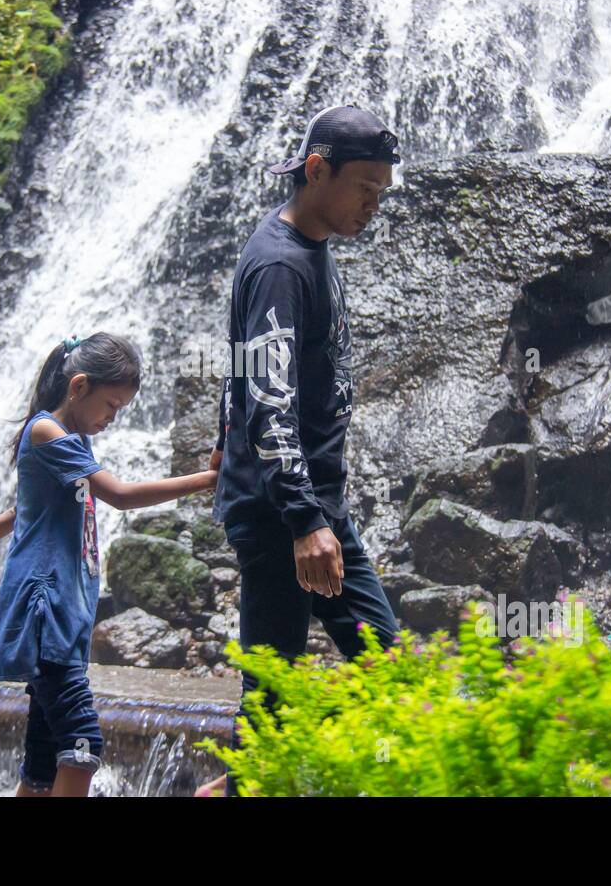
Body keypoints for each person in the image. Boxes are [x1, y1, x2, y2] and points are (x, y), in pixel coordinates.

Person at [197, 105, 403, 797]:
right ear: (318, 170)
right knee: (279, 700)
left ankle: (237, 788)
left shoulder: (309, 250)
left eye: (381, 192)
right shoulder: (280, 266)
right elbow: (267, 401)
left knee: (373, 668)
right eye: (364, 189)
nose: (372, 205)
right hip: (285, 515)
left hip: (307, 505)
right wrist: (306, 521)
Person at [0, 332, 218, 796]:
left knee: (42, 761)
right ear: (78, 386)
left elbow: (22, 510)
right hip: (45, 609)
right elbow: (118, 496)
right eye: (111, 405)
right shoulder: (47, 432)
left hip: (65, 612)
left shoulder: (72, 439)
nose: (112, 417)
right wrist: (209, 479)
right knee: (83, 742)